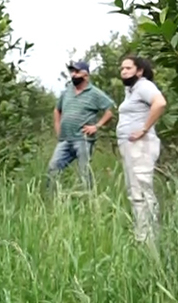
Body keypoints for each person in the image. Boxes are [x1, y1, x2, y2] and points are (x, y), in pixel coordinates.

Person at [116, 55, 167, 241]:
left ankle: (149, 238)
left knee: (142, 191)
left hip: (141, 146)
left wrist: (143, 129)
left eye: (128, 68)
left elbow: (160, 103)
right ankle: (143, 234)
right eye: (122, 69)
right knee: (135, 191)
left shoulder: (144, 86)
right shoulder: (132, 90)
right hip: (131, 145)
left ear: (139, 70)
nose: (123, 72)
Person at [47, 60, 114, 190]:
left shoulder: (94, 93)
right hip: (65, 138)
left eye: (77, 72)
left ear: (86, 75)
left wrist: (97, 126)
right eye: (72, 72)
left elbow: (109, 112)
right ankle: (51, 198)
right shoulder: (67, 91)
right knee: (53, 167)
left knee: (84, 171)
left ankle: (88, 199)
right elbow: (57, 109)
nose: (73, 75)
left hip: (83, 139)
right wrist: (57, 127)